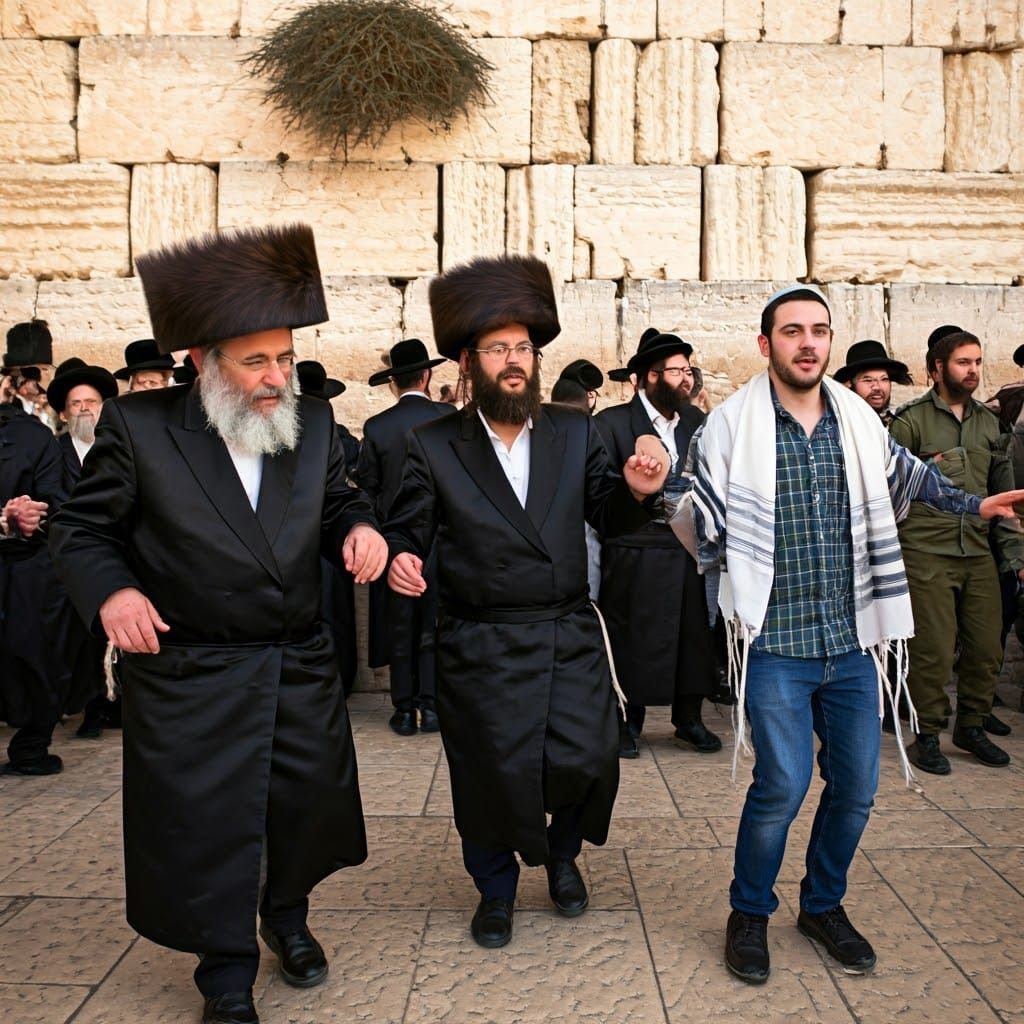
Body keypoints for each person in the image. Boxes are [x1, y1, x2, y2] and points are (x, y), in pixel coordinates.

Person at [49, 223, 388, 1024]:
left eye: (286, 356)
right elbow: (80, 529)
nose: (278, 377)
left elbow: (340, 498)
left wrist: (359, 530)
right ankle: (225, 968)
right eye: (257, 360)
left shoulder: (304, 428)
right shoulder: (142, 429)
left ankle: (288, 917)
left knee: (300, 813)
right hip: (192, 674)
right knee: (209, 829)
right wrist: (113, 595)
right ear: (201, 362)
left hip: (295, 663)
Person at [680, 284, 1024, 985]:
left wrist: (975, 504)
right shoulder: (730, 426)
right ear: (765, 343)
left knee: (858, 787)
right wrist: (652, 490)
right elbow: (696, 510)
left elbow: (913, 479)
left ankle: (822, 905)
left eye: (818, 331)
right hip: (776, 642)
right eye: (791, 331)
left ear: (828, 343)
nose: (807, 342)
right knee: (781, 783)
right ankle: (749, 912)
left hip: (853, 641)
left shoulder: (859, 423)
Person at [385, 254, 668, 949]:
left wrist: (636, 488)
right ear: (467, 361)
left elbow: (610, 513)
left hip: (567, 629)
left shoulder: (575, 432)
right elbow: (406, 527)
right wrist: (399, 556)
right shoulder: (433, 444)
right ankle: (496, 888)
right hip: (478, 640)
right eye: (498, 349)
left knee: (587, 757)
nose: (514, 362)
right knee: (488, 773)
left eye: (523, 349)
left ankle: (563, 855)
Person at [890, 329, 1022, 773]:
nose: (973, 371)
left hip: (978, 551)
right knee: (933, 650)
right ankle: (927, 734)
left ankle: (970, 726)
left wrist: (1015, 559)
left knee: (987, 646)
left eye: (978, 362)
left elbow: (1004, 498)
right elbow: (888, 491)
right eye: (964, 362)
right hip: (926, 550)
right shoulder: (909, 421)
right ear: (937, 368)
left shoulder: (990, 424)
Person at [595, 328, 721, 758]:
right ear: (649, 377)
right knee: (631, 637)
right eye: (676, 372)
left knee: (693, 635)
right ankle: (626, 722)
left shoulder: (696, 422)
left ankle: (688, 719)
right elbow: (596, 493)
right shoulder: (610, 424)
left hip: (688, 548)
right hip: (635, 548)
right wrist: (637, 490)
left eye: (689, 370)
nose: (686, 380)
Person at [355, 339, 451, 735]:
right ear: (427, 376)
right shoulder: (448, 418)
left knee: (399, 623)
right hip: (442, 536)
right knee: (434, 622)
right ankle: (431, 706)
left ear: (394, 383)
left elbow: (366, 488)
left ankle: (403, 709)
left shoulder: (377, 427)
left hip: (394, 537)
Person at [44, 360, 119, 737]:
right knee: (74, 640)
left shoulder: (118, 452)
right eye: (77, 404)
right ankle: (77, 705)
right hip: (69, 563)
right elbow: (56, 502)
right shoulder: (54, 453)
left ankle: (103, 709)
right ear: (63, 412)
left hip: (117, 558)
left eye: (93, 402)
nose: (86, 408)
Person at [0, 380, 65, 775]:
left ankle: (31, 747)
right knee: (34, 654)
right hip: (28, 567)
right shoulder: (37, 435)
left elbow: (51, 503)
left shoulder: (34, 436)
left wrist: (29, 515)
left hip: (26, 566)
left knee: (32, 653)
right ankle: (30, 747)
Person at [833, 339, 912, 426]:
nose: (877, 387)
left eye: (884, 379)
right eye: (868, 380)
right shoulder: (837, 425)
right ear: (848, 384)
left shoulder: (899, 423)